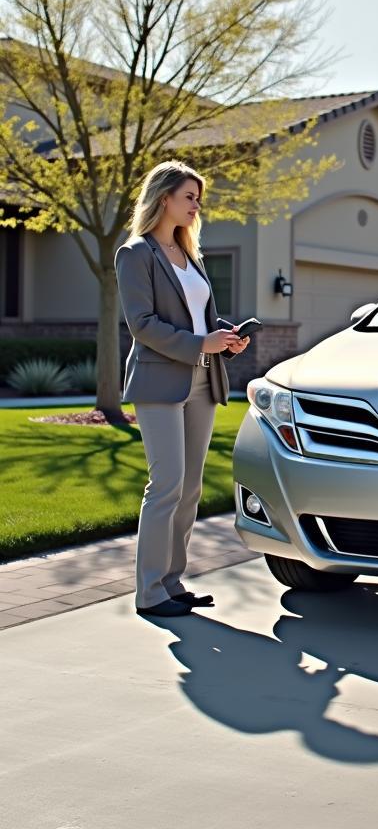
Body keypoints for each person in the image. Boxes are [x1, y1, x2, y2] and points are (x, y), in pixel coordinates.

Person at [115, 161, 250, 617]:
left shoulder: (191, 256)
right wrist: (199, 343)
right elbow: (142, 325)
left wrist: (224, 340)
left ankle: (173, 582)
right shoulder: (135, 254)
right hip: (159, 379)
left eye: (198, 198)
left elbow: (199, 320)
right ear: (164, 198)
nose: (196, 205)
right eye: (189, 197)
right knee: (167, 483)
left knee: (190, 487)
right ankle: (149, 592)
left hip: (202, 378)